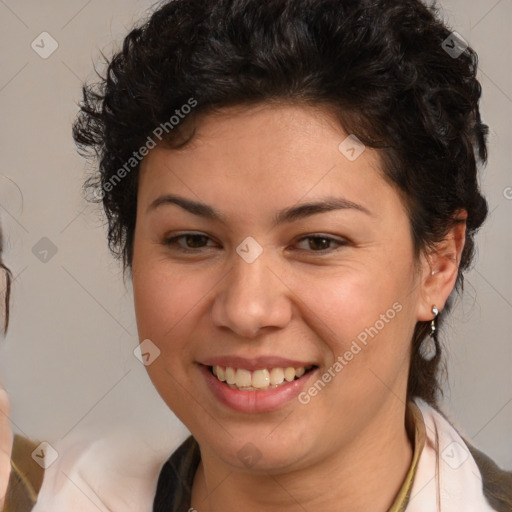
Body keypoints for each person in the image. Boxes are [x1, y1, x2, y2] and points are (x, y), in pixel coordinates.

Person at [33, 0, 512, 510]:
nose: (246, 310)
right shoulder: (40, 492)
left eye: (318, 242)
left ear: (438, 264)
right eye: (193, 240)